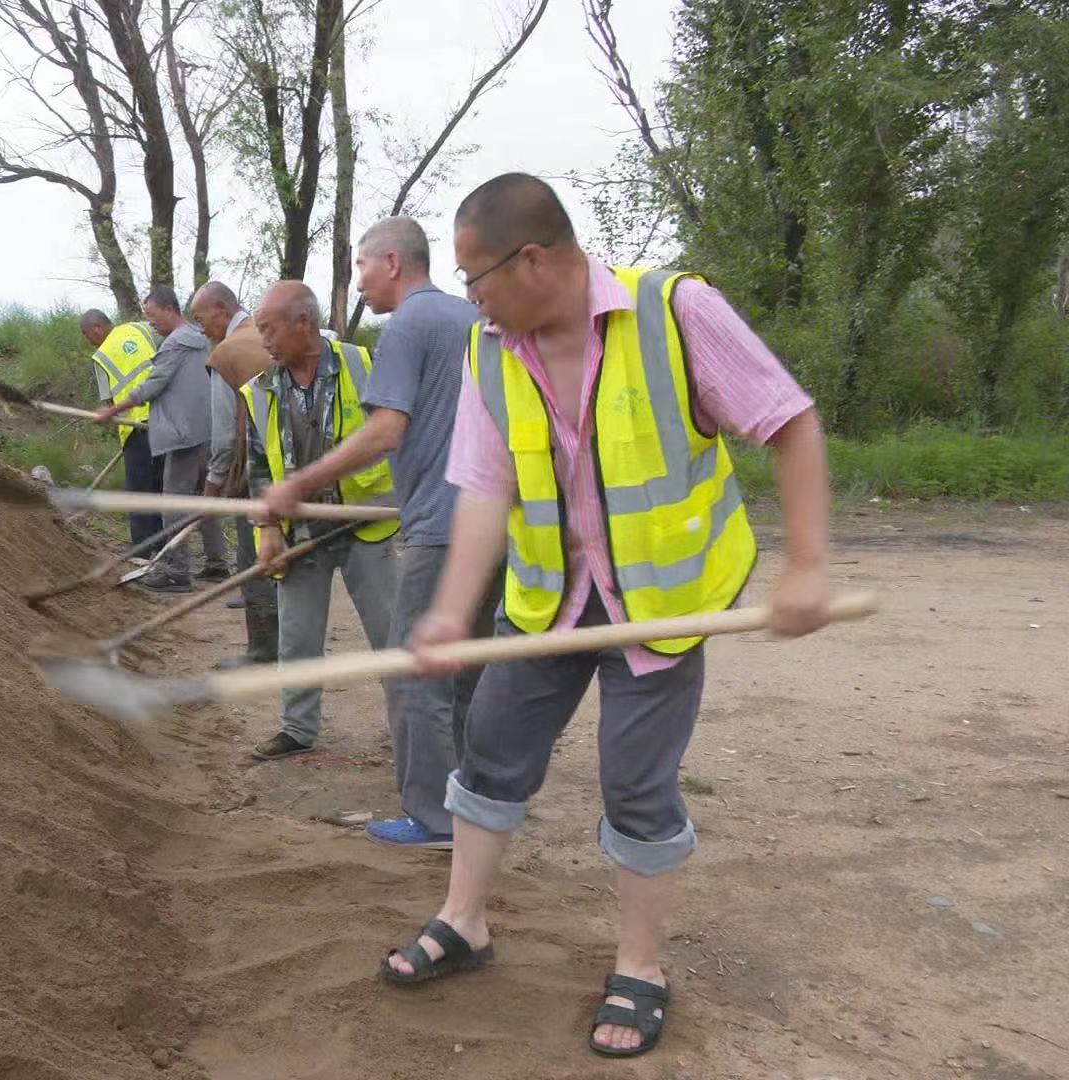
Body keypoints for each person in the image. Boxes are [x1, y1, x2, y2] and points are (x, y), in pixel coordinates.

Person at [382, 173, 833, 1060]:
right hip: (549, 601)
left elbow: (790, 422)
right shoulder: (491, 349)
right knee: (490, 756)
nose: (470, 299)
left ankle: (640, 964)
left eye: (476, 279)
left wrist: (808, 566)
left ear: (534, 261)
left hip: (658, 608)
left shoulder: (675, 311)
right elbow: (485, 488)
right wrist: (447, 610)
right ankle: (462, 920)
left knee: (636, 785)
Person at [258, 217, 494, 849]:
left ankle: (433, 818)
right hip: (489, 523)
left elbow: (385, 431)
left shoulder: (407, 327)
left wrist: (297, 484)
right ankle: (471, 802)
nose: (358, 281)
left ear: (392, 262)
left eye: (361, 266)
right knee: (465, 669)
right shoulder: (471, 318)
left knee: (415, 671)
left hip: (438, 527)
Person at [242, 282, 399, 760]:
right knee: (297, 638)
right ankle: (297, 729)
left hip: (364, 523)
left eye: (268, 330)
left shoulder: (365, 365)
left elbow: (397, 435)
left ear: (302, 322)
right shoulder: (258, 391)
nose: (263, 342)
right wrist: (267, 530)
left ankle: (412, 727)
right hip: (299, 530)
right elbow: (256, 466)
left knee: (391, 633)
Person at [97, 286, 228, 591]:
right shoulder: (200, 340)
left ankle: (177, 571)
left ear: (170, 309)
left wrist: (113, 410)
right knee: (203, 499)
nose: (151, 322)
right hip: (205, 431)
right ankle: (217, 563)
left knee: (173, 502)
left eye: (153, 315)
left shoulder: (176, 344)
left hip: (183, 436)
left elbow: (152, 386)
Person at [189, 281, 278, 668]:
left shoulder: (227, 353)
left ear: (222, 310)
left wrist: (211, 490)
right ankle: (288, 644)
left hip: (256, 473)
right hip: (291, 467)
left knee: (253, 558)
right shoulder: (267, 333)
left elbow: (225, 436)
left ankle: (263, 650)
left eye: (201, 317)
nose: (200, 327)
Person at [81, 308, 164, 547]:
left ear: (97, 328)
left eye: (88, 335)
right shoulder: (141, 328)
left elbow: (107, 403)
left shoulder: (101, 356)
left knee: (138, 490)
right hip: (165, 419)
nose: (89, 342)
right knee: (160, 488)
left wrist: (104, 415)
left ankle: (142, 548)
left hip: (135, 427)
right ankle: (162, 547)